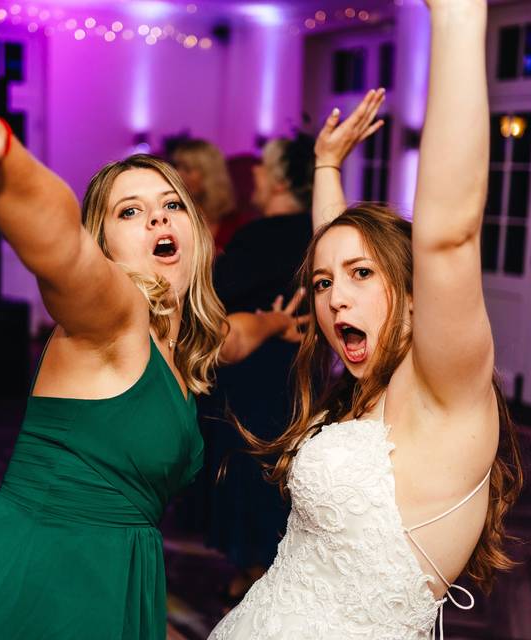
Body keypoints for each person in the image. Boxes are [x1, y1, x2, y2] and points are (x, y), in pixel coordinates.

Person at [0, 1, 304, 637]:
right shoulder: (112, 318)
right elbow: (60, 248)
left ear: (196, 228)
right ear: (106, 245)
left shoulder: (186, 341)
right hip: (36, 584)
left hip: (114, 583)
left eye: (170, 204)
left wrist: (277, 323)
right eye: (129, 212)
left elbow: (235, 337)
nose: (156, 218)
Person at [209, 1, 523, 638]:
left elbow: (448, 238)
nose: (332, 299)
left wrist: (459, 20)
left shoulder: (445, 394)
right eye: (322, 285)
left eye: (361, 275)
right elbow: (336, 258)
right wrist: (328, 165)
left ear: (414, 294)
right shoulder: (367, 387)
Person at [201, 125, 379, 604]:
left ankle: (255, 575)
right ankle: (280, 572)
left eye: (261, 166)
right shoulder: (318, 239)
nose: (252, 173)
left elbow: (209, 304)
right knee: (288, 469)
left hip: (251, 374)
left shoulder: (256, 238)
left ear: (279, 181)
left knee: (247, 466)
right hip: (303, 375)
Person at [171, 138, 246, 251]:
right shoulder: (171, 216)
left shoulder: (234, 224)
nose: (178, 174)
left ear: (209, 175)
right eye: (176, 167)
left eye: (187, 169)